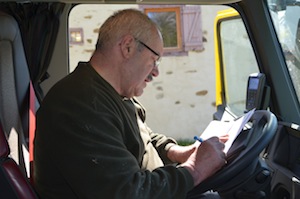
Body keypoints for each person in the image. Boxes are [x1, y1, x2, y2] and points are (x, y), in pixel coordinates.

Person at [33, 8, 226, 199]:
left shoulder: (113, 95)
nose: (156, 72)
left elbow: (142, 137)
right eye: (154, 59)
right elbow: (127, 193)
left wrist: (177, 152)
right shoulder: (78, 105)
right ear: (127, 47)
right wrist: (195, 169)